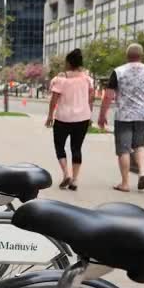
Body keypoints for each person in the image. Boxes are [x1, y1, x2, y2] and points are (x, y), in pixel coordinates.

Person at [98, 43, 144, 192]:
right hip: (142, 115)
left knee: (124, 149)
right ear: (142, 55)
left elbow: (108, 95)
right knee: (139, 145)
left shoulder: (118, 71)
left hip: (124, 115)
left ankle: (125, 183)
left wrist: (102, 115)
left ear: (127, 56)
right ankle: (142, 172)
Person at [45, 49, 94, 191]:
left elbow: (53, 100)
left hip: (62, 118)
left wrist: (49, 116)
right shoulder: (87, 79)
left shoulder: (60, 80)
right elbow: (90, 99)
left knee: (59, 146)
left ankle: (66, 173)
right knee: (76, 148)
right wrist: (89, 114)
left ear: (68, 63)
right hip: (82, 118)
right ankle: (75, 180)